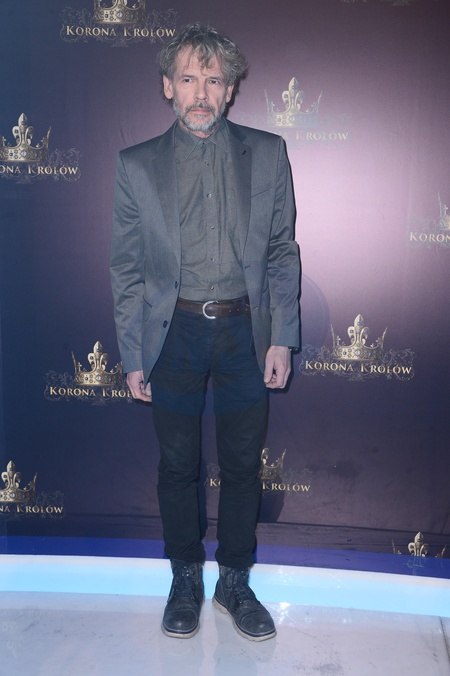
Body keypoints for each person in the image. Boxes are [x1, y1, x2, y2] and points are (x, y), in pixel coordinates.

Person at [110, 23, 300, 642]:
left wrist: (281, 336)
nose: (200, 93)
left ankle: (234, 582)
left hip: (246, 333)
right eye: (188, 78)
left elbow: (282, 251)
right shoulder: (136, 165)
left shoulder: (268, 153)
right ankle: (185, 578)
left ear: (230, 90)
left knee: (243, 465)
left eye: (213, 80)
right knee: (177, 466)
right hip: (174, 337)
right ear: (167, 86)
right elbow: (127, 269)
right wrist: (132, 353)